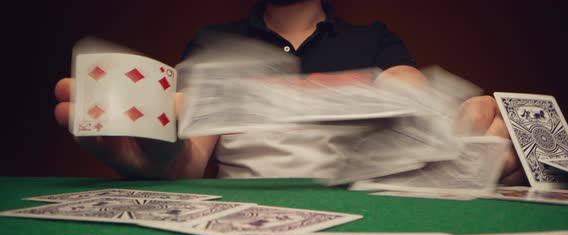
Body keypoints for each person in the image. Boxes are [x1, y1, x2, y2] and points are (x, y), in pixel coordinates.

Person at [54, 0, 524, 183]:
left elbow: (418, 110)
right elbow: (191, 156)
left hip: (367, 204)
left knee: (483, 118)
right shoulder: (211, 43)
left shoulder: (374, 39)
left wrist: (461, 149)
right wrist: (161, 157)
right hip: (244, 215)